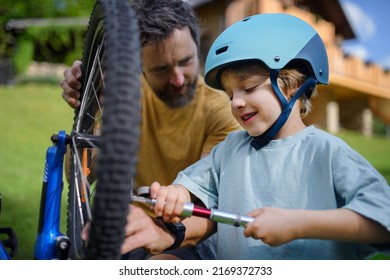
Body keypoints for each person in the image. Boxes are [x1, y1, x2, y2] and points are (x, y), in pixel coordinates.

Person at [148, 13, 390, 259]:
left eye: (249, 88)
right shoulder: (230, 149)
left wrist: (298, 224)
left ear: (294, 83)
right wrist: (177, 192)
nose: (237, 102)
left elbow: (383, 220)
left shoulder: (328, 152)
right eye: (230, 95)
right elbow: (192, 184)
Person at [61, 0, 241, 260]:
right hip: (128, 229)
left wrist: (164, 233)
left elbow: (207, 198)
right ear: (140, 65)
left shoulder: (221, 111)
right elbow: (80, 176)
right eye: (161, 69)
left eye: (186, 61)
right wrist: (91, 106)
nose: (178, 78)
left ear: (197, 47)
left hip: (190, 233)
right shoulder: (127, 97)